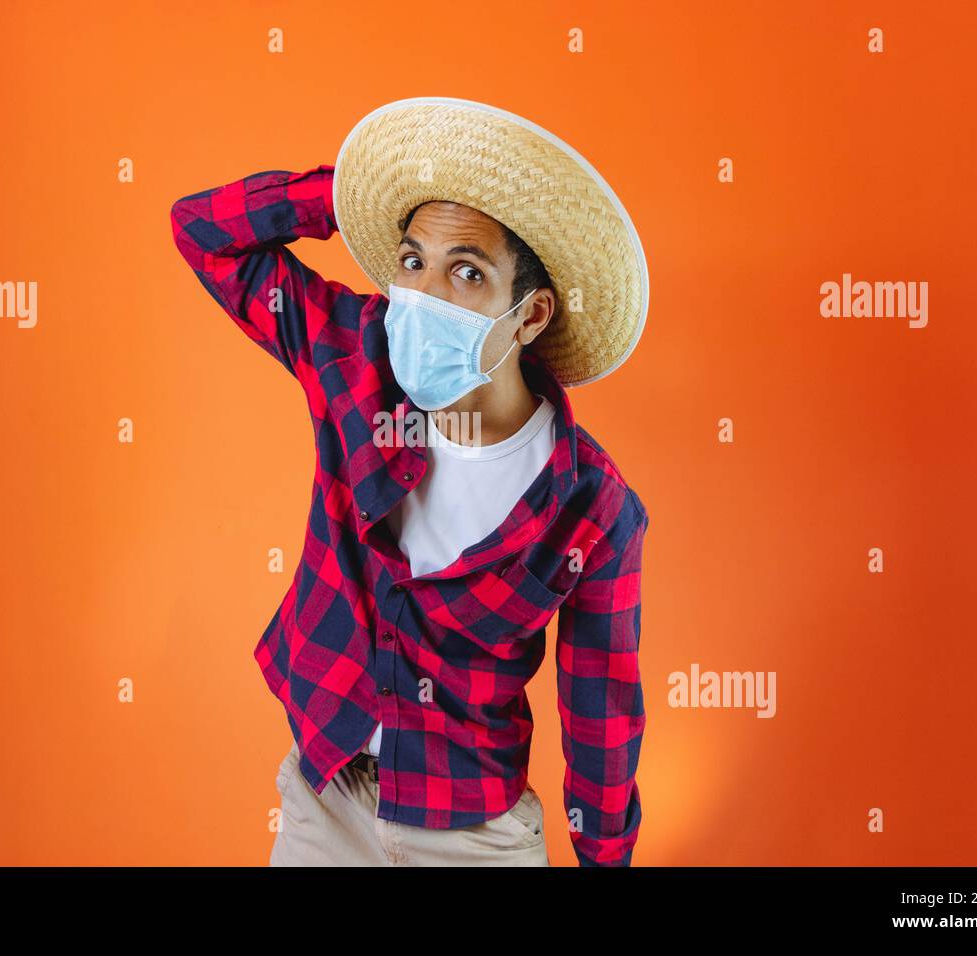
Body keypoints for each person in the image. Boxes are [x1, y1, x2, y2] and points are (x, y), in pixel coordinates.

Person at [170, 97, 651, 866]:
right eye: (411, 260)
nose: (424, 295)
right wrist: (344, 192)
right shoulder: (354, 359)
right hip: (323, 802)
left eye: (466, 272)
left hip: (471, 833)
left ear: (530, 317)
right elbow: (202, 231)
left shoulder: (592, 508)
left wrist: (607, 860)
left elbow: (600, 713)